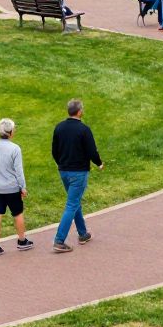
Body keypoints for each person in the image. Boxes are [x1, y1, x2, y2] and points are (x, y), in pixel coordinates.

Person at [51, 99, 103, 253]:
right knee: (72, 204)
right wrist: (99, 163)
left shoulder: (59, 127)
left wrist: (60, 163)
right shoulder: (84, 129)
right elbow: (91, 151)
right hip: (78, 172)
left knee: (75, 201)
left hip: (64, 171)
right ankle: (59, 240)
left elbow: (54, 150)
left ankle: (83, 234)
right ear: (79, 111)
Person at [0, 118, 33, 257]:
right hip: (12, 188)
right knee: (17, 213)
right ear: (10, 132)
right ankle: (22, 240)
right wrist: (22, 187)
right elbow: (19, 171)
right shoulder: (15, 148)